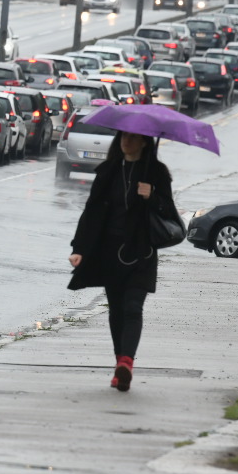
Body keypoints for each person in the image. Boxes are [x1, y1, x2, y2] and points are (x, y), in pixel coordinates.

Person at [67, 132, 179, 392]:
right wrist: (79, 248)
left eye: (132, 137)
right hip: (110, 252)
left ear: (144, 141)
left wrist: (152, 196)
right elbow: (92, 211)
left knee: (133, 307)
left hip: (142, 253)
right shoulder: (108, 171)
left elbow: (169, 211)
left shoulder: (156, 172)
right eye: (123, 137)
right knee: (117, 310)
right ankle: (121, 363)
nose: (126, 141)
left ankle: (126, 362)